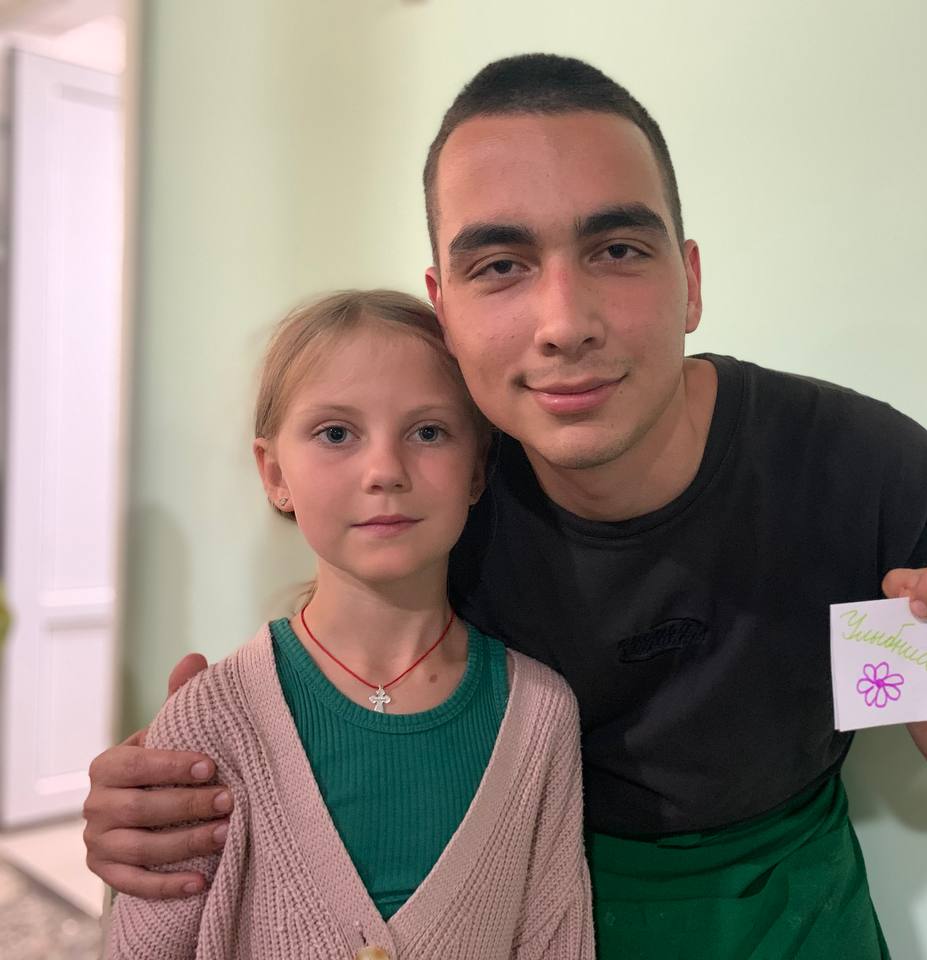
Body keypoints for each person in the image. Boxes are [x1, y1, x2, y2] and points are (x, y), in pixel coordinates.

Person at [85, 56, 927, 958]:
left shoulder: (851, 467)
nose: (564, 321)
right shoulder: (441, 498)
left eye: (617, 250)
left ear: (689, 281)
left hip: (794, 921)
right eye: (501, 266)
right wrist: (169, 806)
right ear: (445, 309)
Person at [104, 290, 593, 959]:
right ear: (275, 473)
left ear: (477, 470)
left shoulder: (540, 716)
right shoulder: (208, 720)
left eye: (428, 432)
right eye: (336, 434)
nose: (385, 471)